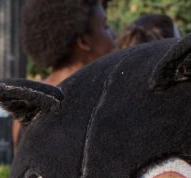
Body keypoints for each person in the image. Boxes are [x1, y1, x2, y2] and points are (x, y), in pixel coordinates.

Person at [14, 0, 116, 145]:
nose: (114, 34)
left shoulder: (27, 103)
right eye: (105, 26)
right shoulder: (98, 100)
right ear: (84, 42)